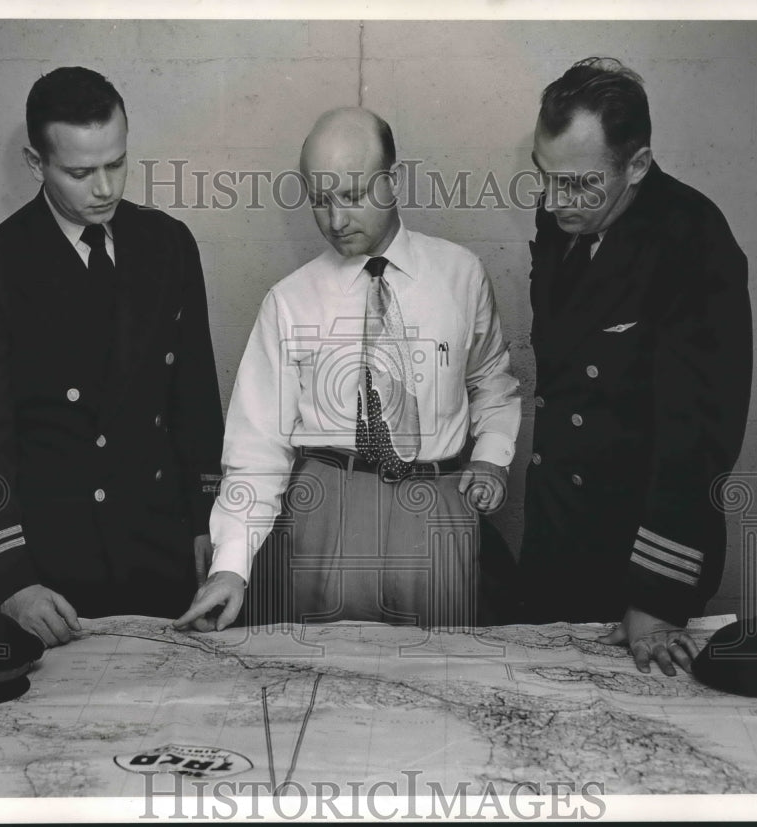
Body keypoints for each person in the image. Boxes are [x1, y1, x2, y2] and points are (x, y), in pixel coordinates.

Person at [176, 107, 521, 632]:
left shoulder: (461, 275)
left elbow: (491, 380)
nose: (336, 221)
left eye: (354, 196)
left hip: (438, 510)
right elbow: (256, 448)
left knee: (442, 681)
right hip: (323, 513)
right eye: (321, 200)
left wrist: (494, 457)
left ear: (394, 181)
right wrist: (231, 567)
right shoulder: (288, 301)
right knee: (319, 683)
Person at [0, 67, 224, 646]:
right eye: (79, 172)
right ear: (36, 164)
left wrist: (208, 524)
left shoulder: (168, 245)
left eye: (116, 163)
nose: (104, 189)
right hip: (54, 573)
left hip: (163, 551)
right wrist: (12, 580)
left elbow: (194, 399)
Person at [518, 58, 752, 674]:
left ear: (638, 166)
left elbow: (699, 437)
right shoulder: (563, 212)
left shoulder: (694, 241)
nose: (553, 200)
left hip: (636, 560)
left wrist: (655, 597)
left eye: (577, 184)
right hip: (556, 538)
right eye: (545, 177)